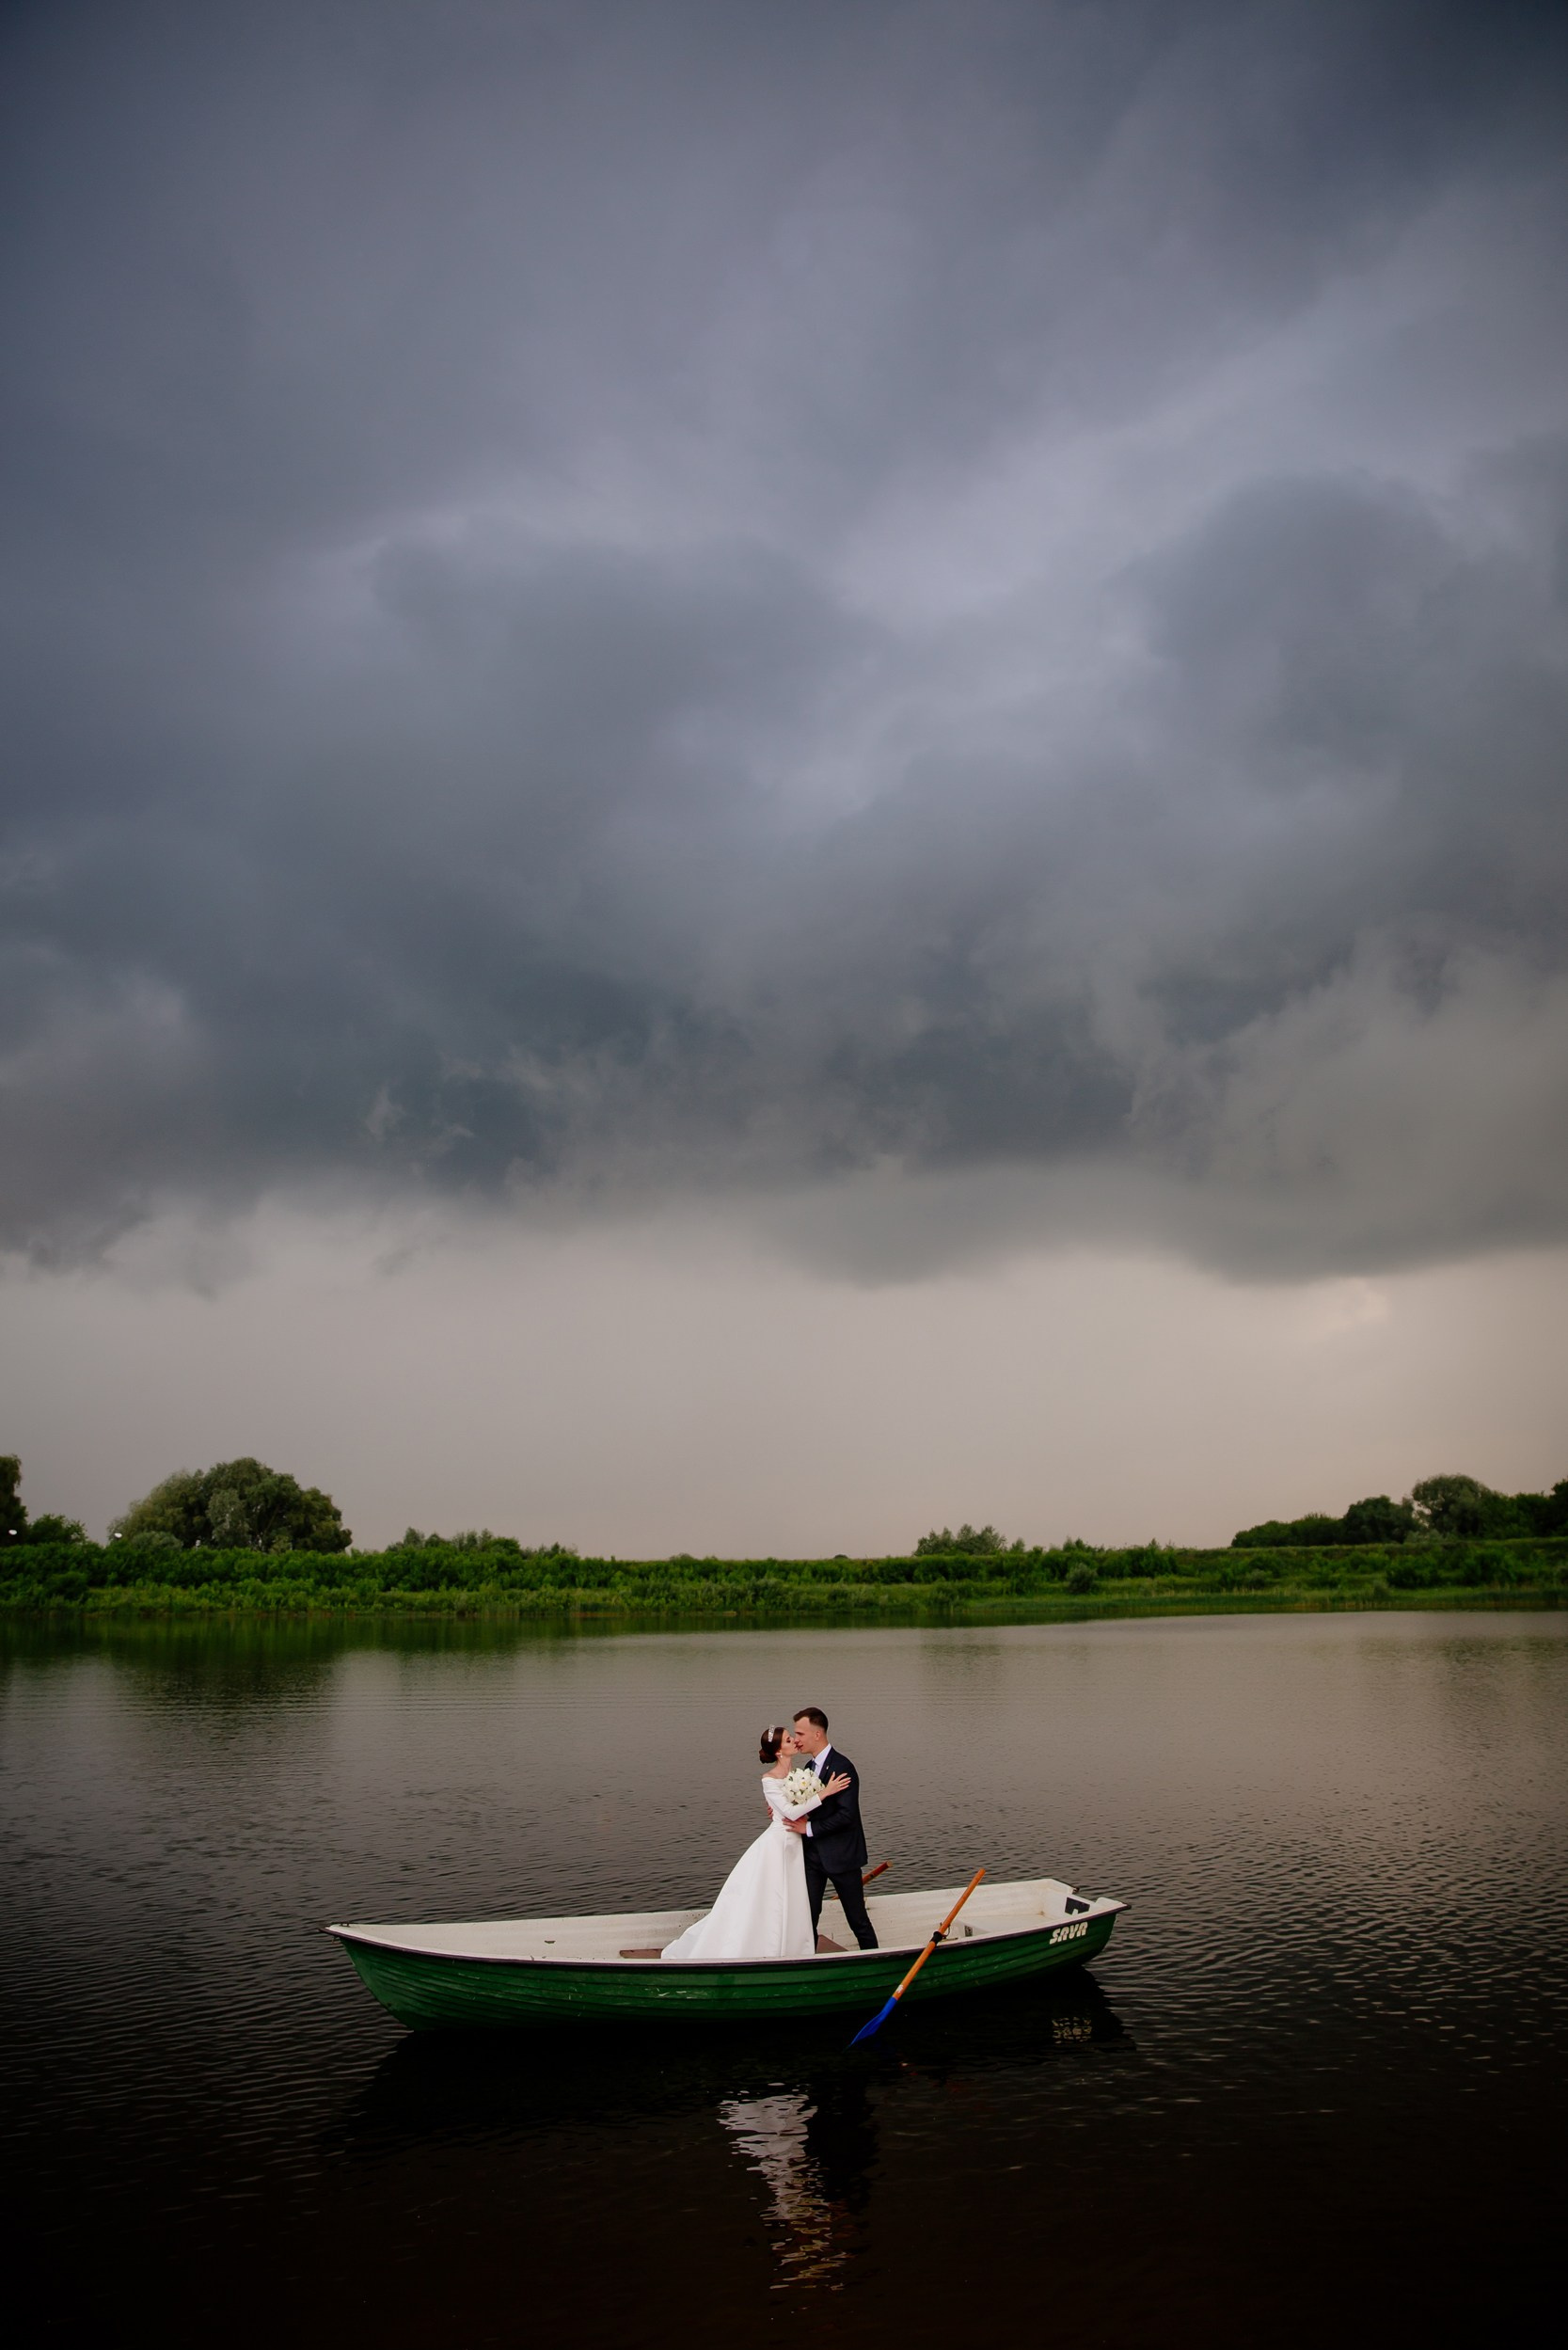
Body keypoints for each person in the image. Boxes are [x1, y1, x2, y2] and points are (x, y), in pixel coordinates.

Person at [660, 1724, 852, 1961]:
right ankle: (764, 1948)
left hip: (796, 1845)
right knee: (771, 1898)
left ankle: (793, 1950)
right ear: (779, 1751)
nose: (795, 1742)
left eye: (794, 1738)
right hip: (778, 1845)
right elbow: (791, 1812)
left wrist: (809, 1806)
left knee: (792, 1900)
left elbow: (798, 1808)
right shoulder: (769, 1780)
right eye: (789, 1740)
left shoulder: (799, 1776)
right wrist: (824, 1793)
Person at [781, 1707, 879, 1950]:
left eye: (800, 1734)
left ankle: (876, 1963)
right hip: (813, 1858)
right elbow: (804, 1805)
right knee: (807, 1918)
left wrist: (809, 1829)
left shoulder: (842, 1766)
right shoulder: (808, 1769)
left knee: (857, 1919)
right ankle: (809, 1964)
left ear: (817, 1734)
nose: (796, 1740)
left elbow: (847, 1816)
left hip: (842, 1856)